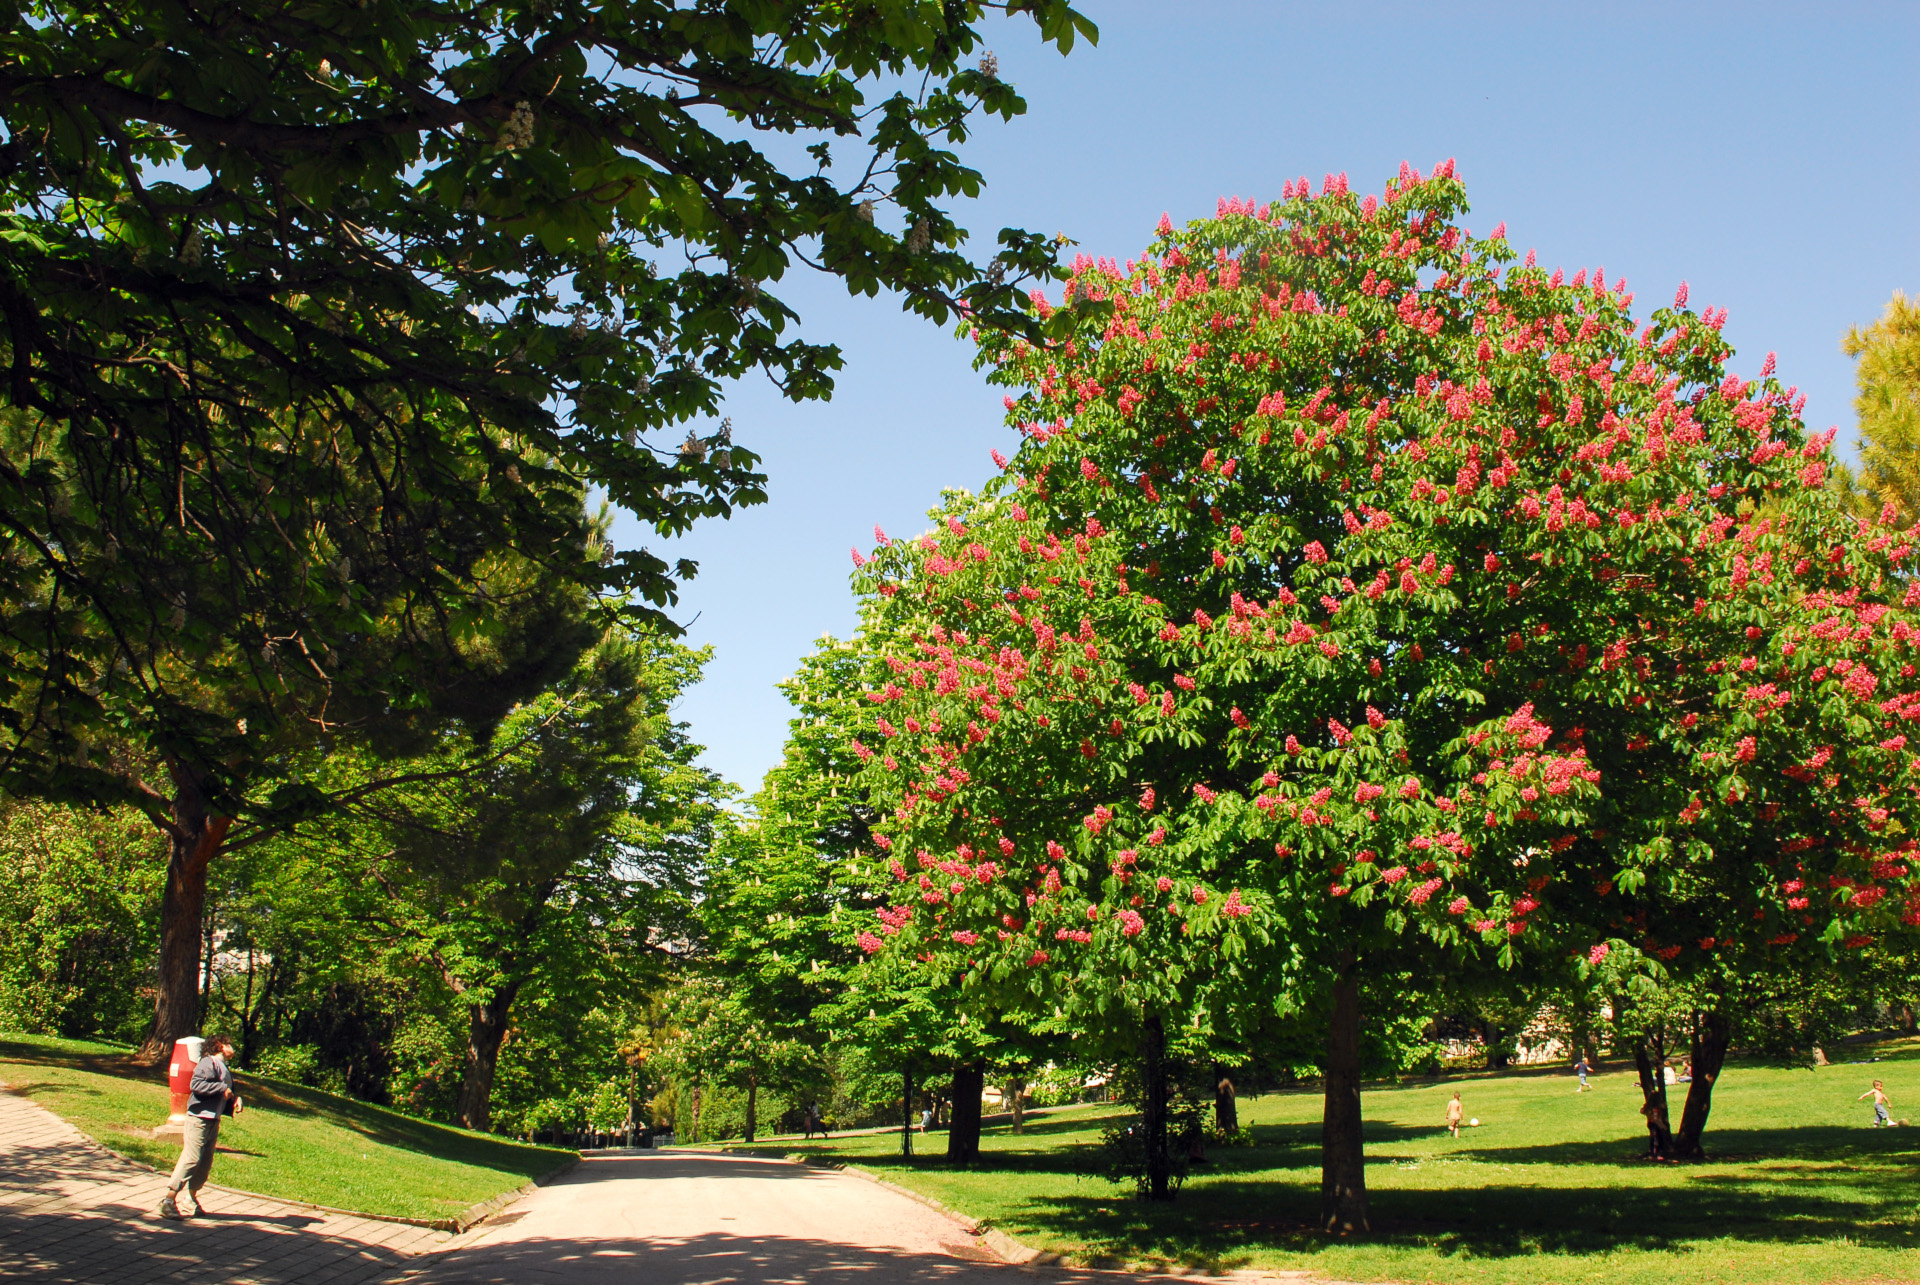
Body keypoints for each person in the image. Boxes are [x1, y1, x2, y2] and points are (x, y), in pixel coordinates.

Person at [157, 1036, 241, 1220]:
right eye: (229, 1044)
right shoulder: (207, 1063)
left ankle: (190, 1199)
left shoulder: (223, 1066)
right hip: (199, 1118)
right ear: (220, 1046)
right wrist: (221, 1088)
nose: (233, 1047)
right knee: (192, 1158)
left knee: (205, 1162)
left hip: (213, 1119)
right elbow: (196, 1085)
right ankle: (168, 1201)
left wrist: (236, 1099)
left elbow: (226, 1089)